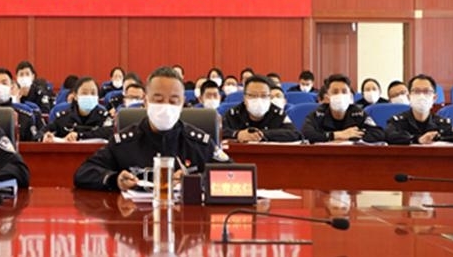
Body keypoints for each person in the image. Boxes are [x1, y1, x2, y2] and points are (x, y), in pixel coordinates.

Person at [73, 66, 229, 191]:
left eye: (173, 101)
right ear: (146, 101)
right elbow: (83, 172)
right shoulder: (125, 142)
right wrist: (114, 180)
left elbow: (233, 175)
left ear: (183, 104)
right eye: (158, 100)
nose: (166, 106)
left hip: (186, 218)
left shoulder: (199, 143)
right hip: (134, 217)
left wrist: (196, 181)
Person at [384, 74, 453, 146]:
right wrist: (418, 139)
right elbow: (389, 136)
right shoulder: (397, 121)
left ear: (434, 98)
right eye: (416, 91)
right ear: (409, 97)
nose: (421, 96)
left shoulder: (441, 123)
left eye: (426, 91)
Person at [302, 74, 385, 143]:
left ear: (350, 96)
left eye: (344, 92)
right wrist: (335, 135)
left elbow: (378, 133)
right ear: (327, 96)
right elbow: (306, 133)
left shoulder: (357, 113)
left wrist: (350, 137)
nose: (340, 95)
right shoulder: (319, 113)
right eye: (335, 92)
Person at [221, 75, 302, 142]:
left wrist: (262, 134)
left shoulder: (278, 113)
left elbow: (295, 134)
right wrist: (237, 134)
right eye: (253, 95)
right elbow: (220, 132)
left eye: (264, 95)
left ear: (270, 97)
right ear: (244, 98)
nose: (258, 99)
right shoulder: (234, 113)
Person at [42, 76, 114, 142]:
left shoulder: (103, 116)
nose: (89, 96)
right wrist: (46, 137)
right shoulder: (64, 117)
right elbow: (42, 132)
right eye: (84, 93)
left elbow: (110, 132)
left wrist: (79, 135)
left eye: (93, 93)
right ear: (75, 96)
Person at [0, 67, 42, 142]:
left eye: (4, 83)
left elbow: (33, 144)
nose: (0, 86)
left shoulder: (25, 114)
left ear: (11, 87)